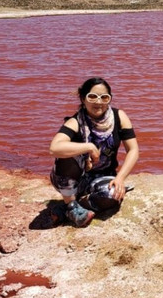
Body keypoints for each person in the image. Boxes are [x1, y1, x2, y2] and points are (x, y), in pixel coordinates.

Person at [49, 77, 139, 228]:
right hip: (74, 179)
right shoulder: (75, 121)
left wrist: (120, 178)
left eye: (104, 97)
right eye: (92, 97)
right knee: (66, 154)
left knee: (112, 196)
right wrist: (89, 147)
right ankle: (71, 202)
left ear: (110, 99)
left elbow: (133, 150)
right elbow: (54, 148)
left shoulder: (119, 117)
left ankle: (70, 207)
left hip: (102, 177)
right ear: (83, 99)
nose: (98, 102)